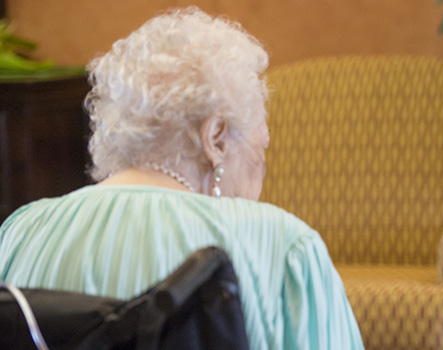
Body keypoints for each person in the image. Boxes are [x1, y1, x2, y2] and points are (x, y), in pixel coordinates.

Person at [0, 7, 364, 350]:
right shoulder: (283, 247)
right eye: (261, 145)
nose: (262, 170)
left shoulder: (19, 232)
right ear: (216, 137)